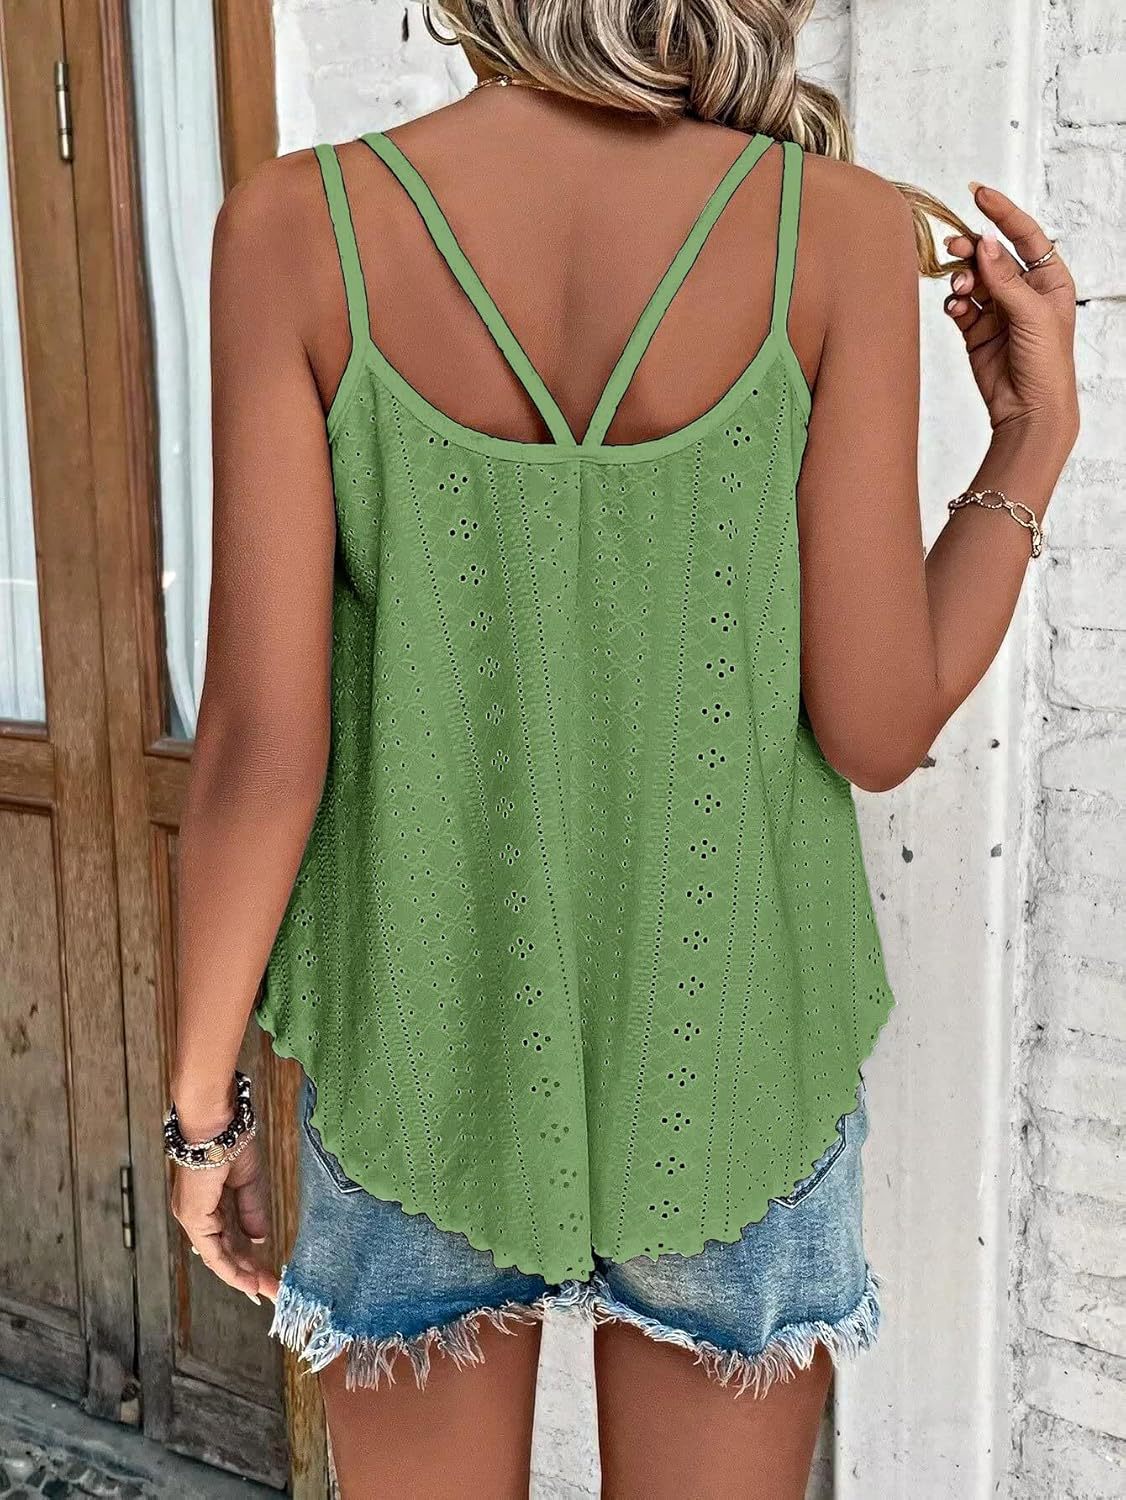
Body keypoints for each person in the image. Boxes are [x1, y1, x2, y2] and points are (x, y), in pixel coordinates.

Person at [165, 2, 1079, 1495]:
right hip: (736, 1041)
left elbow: (265, 748)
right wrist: (1031, 434)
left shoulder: (294, 228)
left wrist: (204, 1115)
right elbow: (877, 727)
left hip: (416, 1041)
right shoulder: (836, 230)